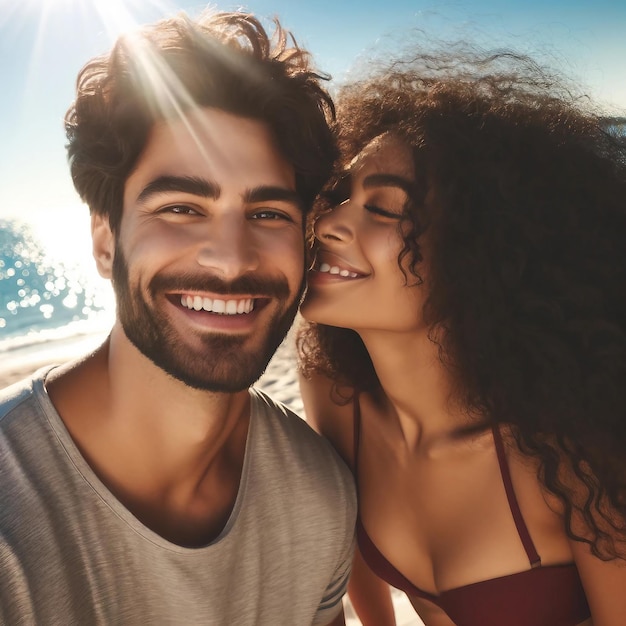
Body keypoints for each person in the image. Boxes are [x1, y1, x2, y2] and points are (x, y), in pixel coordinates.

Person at [0, 10, 356, 625]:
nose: (230, 260)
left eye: (268, 214)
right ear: (105, 239)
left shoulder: (321, 497)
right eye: (183, 207)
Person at [298, 45, 626, 626]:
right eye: (343, 195)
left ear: (477, 256)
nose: (326, 223)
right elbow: (358, 581)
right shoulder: (335, 392)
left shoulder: (568, 452)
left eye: (384, 209)